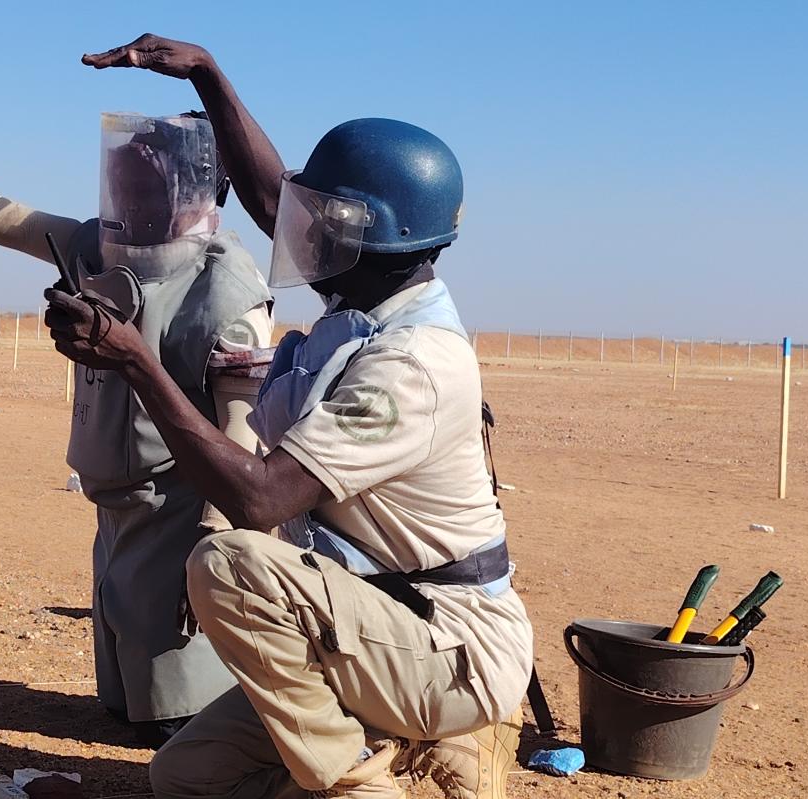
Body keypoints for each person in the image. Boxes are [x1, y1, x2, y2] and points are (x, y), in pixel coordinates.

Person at [44, 35, 534, 798]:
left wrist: (134, 359)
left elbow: (260, 498)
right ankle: (404, 748)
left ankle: (359, 781)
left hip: (448, 644)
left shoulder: (411, 365)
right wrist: (208, 75)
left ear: (374, 236)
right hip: (371, 626)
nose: (303, 229)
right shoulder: (368, 295)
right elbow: (274, 199)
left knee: (229, 562)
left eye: (330, 217)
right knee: (186, 777)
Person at [0, 111, 275, 747]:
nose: (129, 201)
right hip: (113, 503)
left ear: (192, 188)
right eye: (123, 185)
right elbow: (29, 226)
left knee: (174, 707)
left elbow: (242, 430)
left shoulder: (226, 291)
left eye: (146, 186)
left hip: (179, 511)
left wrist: (214, 552)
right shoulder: (102, 248)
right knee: (123, 690)